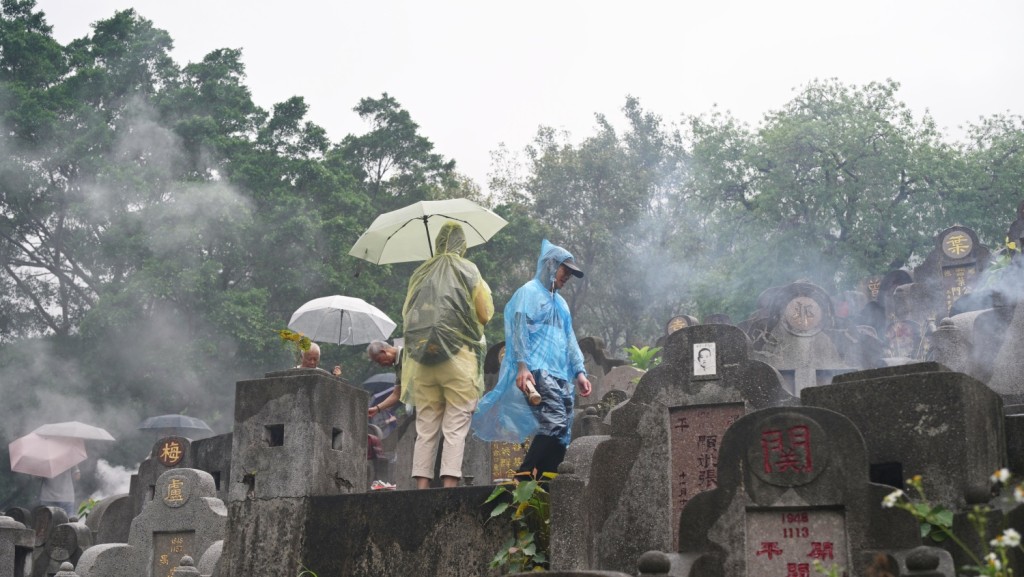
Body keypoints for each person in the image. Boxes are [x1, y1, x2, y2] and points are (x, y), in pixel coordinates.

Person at [472, 239, 591, 480]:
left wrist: (579, 372)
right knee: (555, 421)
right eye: (565, 270)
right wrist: (522, 366)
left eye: (570, 273)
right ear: (550, 265)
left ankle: (547, 482)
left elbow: (569, 339)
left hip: (560, 373)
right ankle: (524, 474)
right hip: (537, 370)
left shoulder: (561, 304)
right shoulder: (529, 292)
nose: (568, 276)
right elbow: (519, 332)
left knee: (561, 431)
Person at [401, 222, 493, 489]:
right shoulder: (468, 270)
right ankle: (449, 488)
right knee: (455, 426)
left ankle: (421, 489)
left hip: (423, 360)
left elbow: (408, 314)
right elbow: (484, 314)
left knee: (426, 427)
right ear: (462, 245)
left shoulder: (421, 273)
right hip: (458, 359)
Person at [367, 340, 403, 418]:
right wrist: (377, 408)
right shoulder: (398, 366)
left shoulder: (407, 353)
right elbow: (396, 394)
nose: (381, 365)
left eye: (379, 360)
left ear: (383, 352)